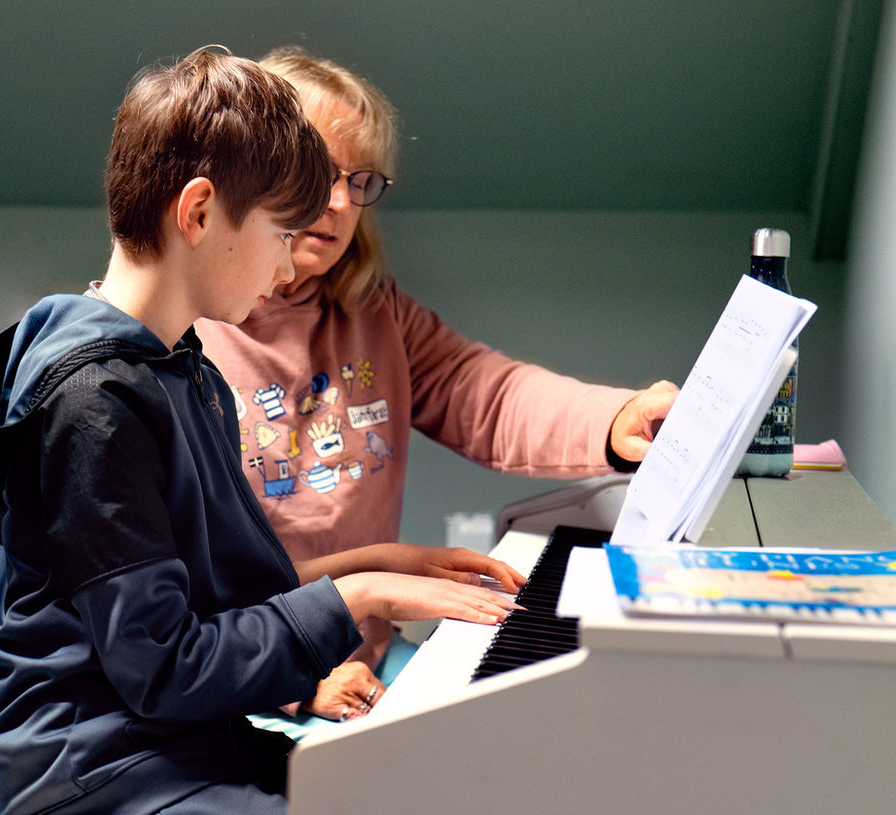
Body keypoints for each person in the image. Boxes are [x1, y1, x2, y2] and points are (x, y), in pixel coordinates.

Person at [0, 48, 525, 815]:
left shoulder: (181, 365)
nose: (290, 268)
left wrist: (387, 561)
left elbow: (218, 596)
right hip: (97, 765)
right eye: (282, 234)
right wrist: (358, 594)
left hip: (179, 736)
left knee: (414, 785)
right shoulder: (93, 404)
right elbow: (164, 666)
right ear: (198, 213)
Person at [194, 46, 679, 733]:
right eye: (316, 175)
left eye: (359, 181)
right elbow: (171, 601)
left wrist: (617, 418)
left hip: (365, 654)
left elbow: (485, 391)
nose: (338, 203)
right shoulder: (184, 337)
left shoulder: (373, 310)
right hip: (241, 679)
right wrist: (292, 685)